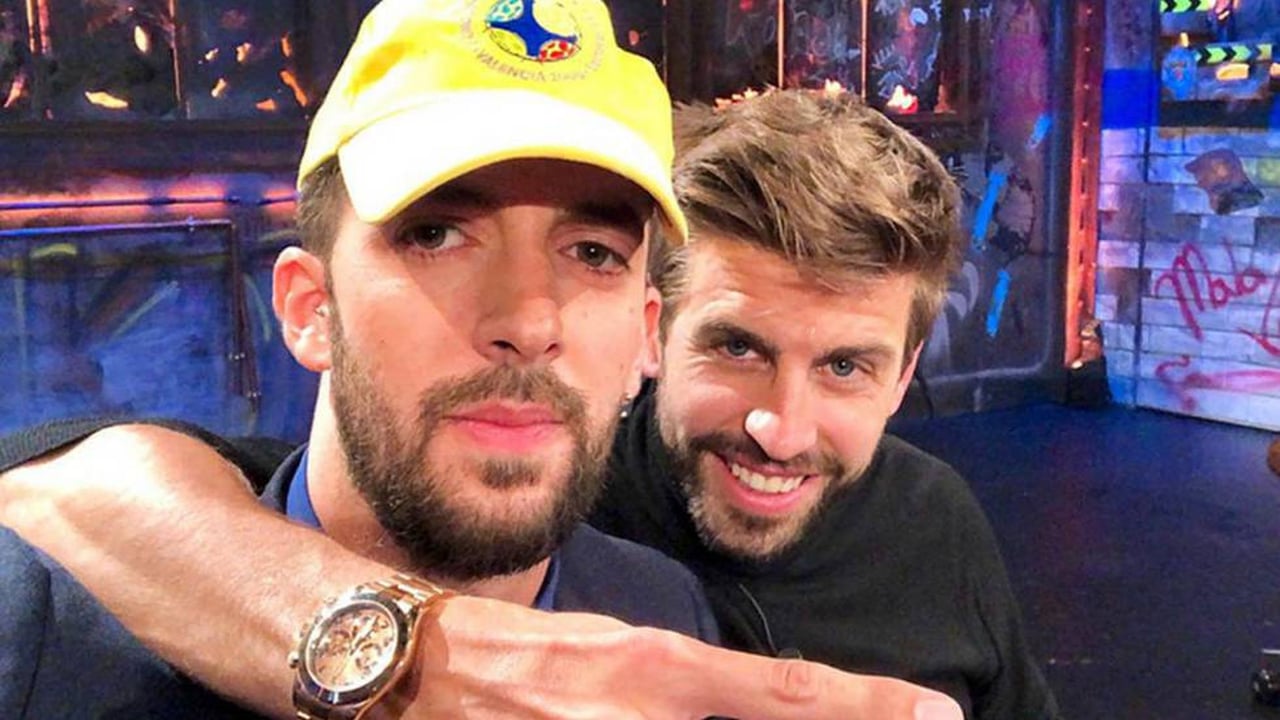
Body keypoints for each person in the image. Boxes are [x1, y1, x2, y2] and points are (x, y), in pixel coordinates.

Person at [0, 1, 960, 720]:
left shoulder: (660, 619)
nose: (529, 319)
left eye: (593, 252)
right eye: (437, 235)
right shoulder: (50, 640)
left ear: (645, 334)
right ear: (309, 308)